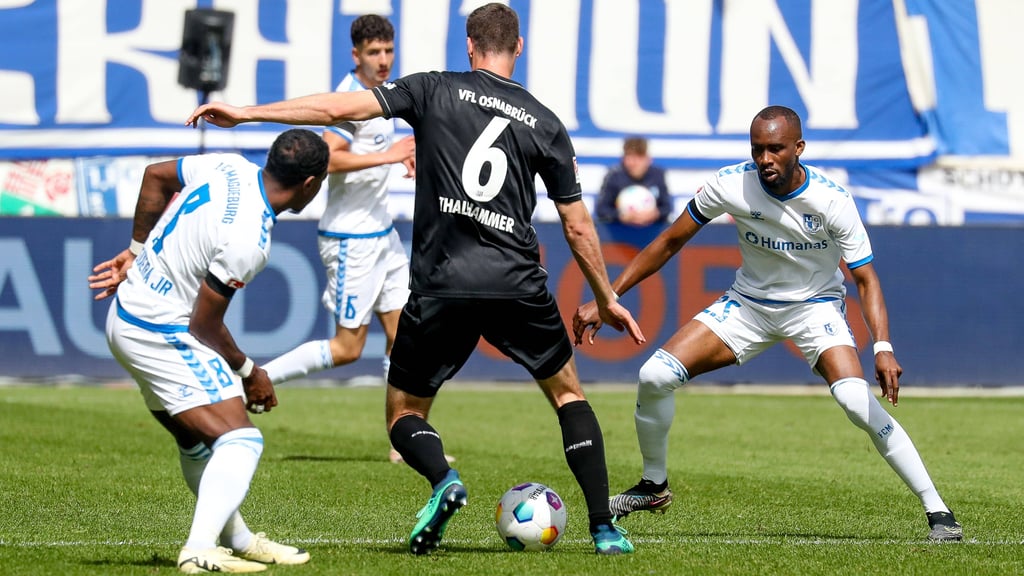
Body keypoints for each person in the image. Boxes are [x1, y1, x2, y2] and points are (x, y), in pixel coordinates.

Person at [186, 2, 646, 556]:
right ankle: (603, 527)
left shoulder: (431, 88)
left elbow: (338, 111)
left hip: (440, 285)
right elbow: (577, 225)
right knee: (569, 395)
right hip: (516, 284)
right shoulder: (546, 122)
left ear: (470, 46)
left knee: (404, 413)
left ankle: (443, 481)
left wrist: (246, 112)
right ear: (518, 48)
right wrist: (607, 298)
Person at [573, 105, 963, 543]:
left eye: (775, 149)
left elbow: (866, 279)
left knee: (856, 401)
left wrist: (883, 347)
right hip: (749, 305)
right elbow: (670, 240)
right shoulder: (731, 184)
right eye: (757, 149)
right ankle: (654, 486)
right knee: (654, 375)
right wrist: (609, 297)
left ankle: (939, 511)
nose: (765, 160)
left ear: (799, 148)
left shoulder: (833, 200)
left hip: (815, 307)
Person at [88, 129, 329, 572]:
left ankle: (237, 538)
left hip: (127, 315)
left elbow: (155, 176)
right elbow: (204, 324)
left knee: (194, 439)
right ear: (310, 185)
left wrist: (134, 251)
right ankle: (199, 549)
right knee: (241, 439)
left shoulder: (229, 164)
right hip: (158, 329)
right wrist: (251, 370)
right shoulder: (250, 241)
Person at [255, 14, 451, 466]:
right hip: (350, 239)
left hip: (381, 235)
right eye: (373, 53)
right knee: (348, 348)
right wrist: (389, 155)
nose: (383, 60)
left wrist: (397, 159)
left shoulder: (380, 97)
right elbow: (329, 160)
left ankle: (404, 439)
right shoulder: (348, 101)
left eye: (388, 51)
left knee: (404, 338)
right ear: (356, 55)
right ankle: (257, 377)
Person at [594, 136, 672, 227]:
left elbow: (667, 207)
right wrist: (620, 216)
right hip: (620, 234)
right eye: (629, 157)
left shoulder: (657, 175)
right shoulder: (614, 176)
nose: (633, 163)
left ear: (648, 159)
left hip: (651, 232)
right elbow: (602, 209)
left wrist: (655, 214)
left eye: (639, 157)